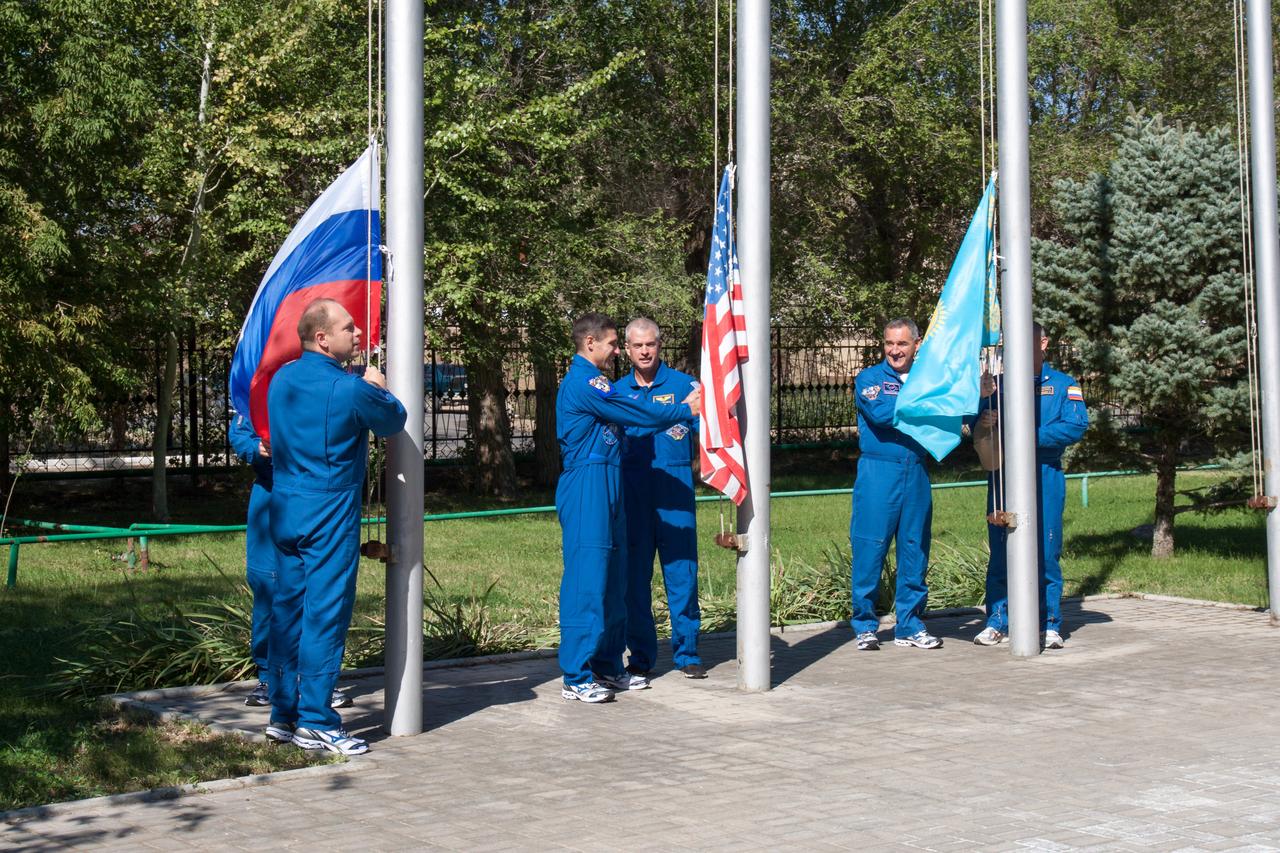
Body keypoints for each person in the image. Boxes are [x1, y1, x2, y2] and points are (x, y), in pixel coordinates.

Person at [264, 298, 406, 754]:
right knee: (325, 613)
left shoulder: (282, 379)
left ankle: (282, 715)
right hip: (328, 511)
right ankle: (316, 721)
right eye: (349, 328)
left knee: (287, 611)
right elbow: (394, 419)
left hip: (286, 507)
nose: (358, 334)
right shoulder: (350, 389)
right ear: (322, 338)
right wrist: (378, 385)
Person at [556, 312, 701, 703]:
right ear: (590, 343)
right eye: (613, 343)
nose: (619, 350)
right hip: (587, 483)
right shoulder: (584, 382)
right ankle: (575, 673)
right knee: (587, 580)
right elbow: (633, 411)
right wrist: (685, 410)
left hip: (611, 481)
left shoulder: (598, 380)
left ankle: (607, 666)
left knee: (614, 581)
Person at [972, 323, 1088, 649]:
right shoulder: (997, 386)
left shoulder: (1063, 385)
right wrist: (983, 414)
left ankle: (1048, 622)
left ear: (1044, 343)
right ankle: (998, 620)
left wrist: (1029, 437)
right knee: (1001, 550)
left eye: (1028, 341)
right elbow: (976, 424)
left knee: (1045, 550)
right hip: (1004, 475)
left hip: (1044, 472)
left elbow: (1076, 425)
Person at [228, 413, 352, 711]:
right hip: (273, 499)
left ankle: (317, 682)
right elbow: (241, 432)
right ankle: (270, 677)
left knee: (320, 591)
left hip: (321, 498)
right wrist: (256, 447)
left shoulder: (327, 379)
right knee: (268, 585)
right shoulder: (262, 382)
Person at [619, 318, 706, 681]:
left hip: (675, 494)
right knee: (635, 581)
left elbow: (712, 434)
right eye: (637, 346)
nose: (644, 351)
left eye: (650, 344)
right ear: (626, 349)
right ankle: (641, 656)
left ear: (660, 344)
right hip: (634, 498)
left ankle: (687, 653)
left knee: (682, 574)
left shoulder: (687, 388)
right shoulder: (616, 393)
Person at [850, 318, 942, 651]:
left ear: (916, 344)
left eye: (902, 344)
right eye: (889, 343)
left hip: (916, 470)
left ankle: (910, 625)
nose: (894, 350)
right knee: (870, 548)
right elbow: (882, 415)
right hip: (879, 473)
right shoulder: (870, 379)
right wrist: (926, 406)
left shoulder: (927, 378)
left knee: (914, 548)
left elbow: (946, 414)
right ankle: (864, 625)